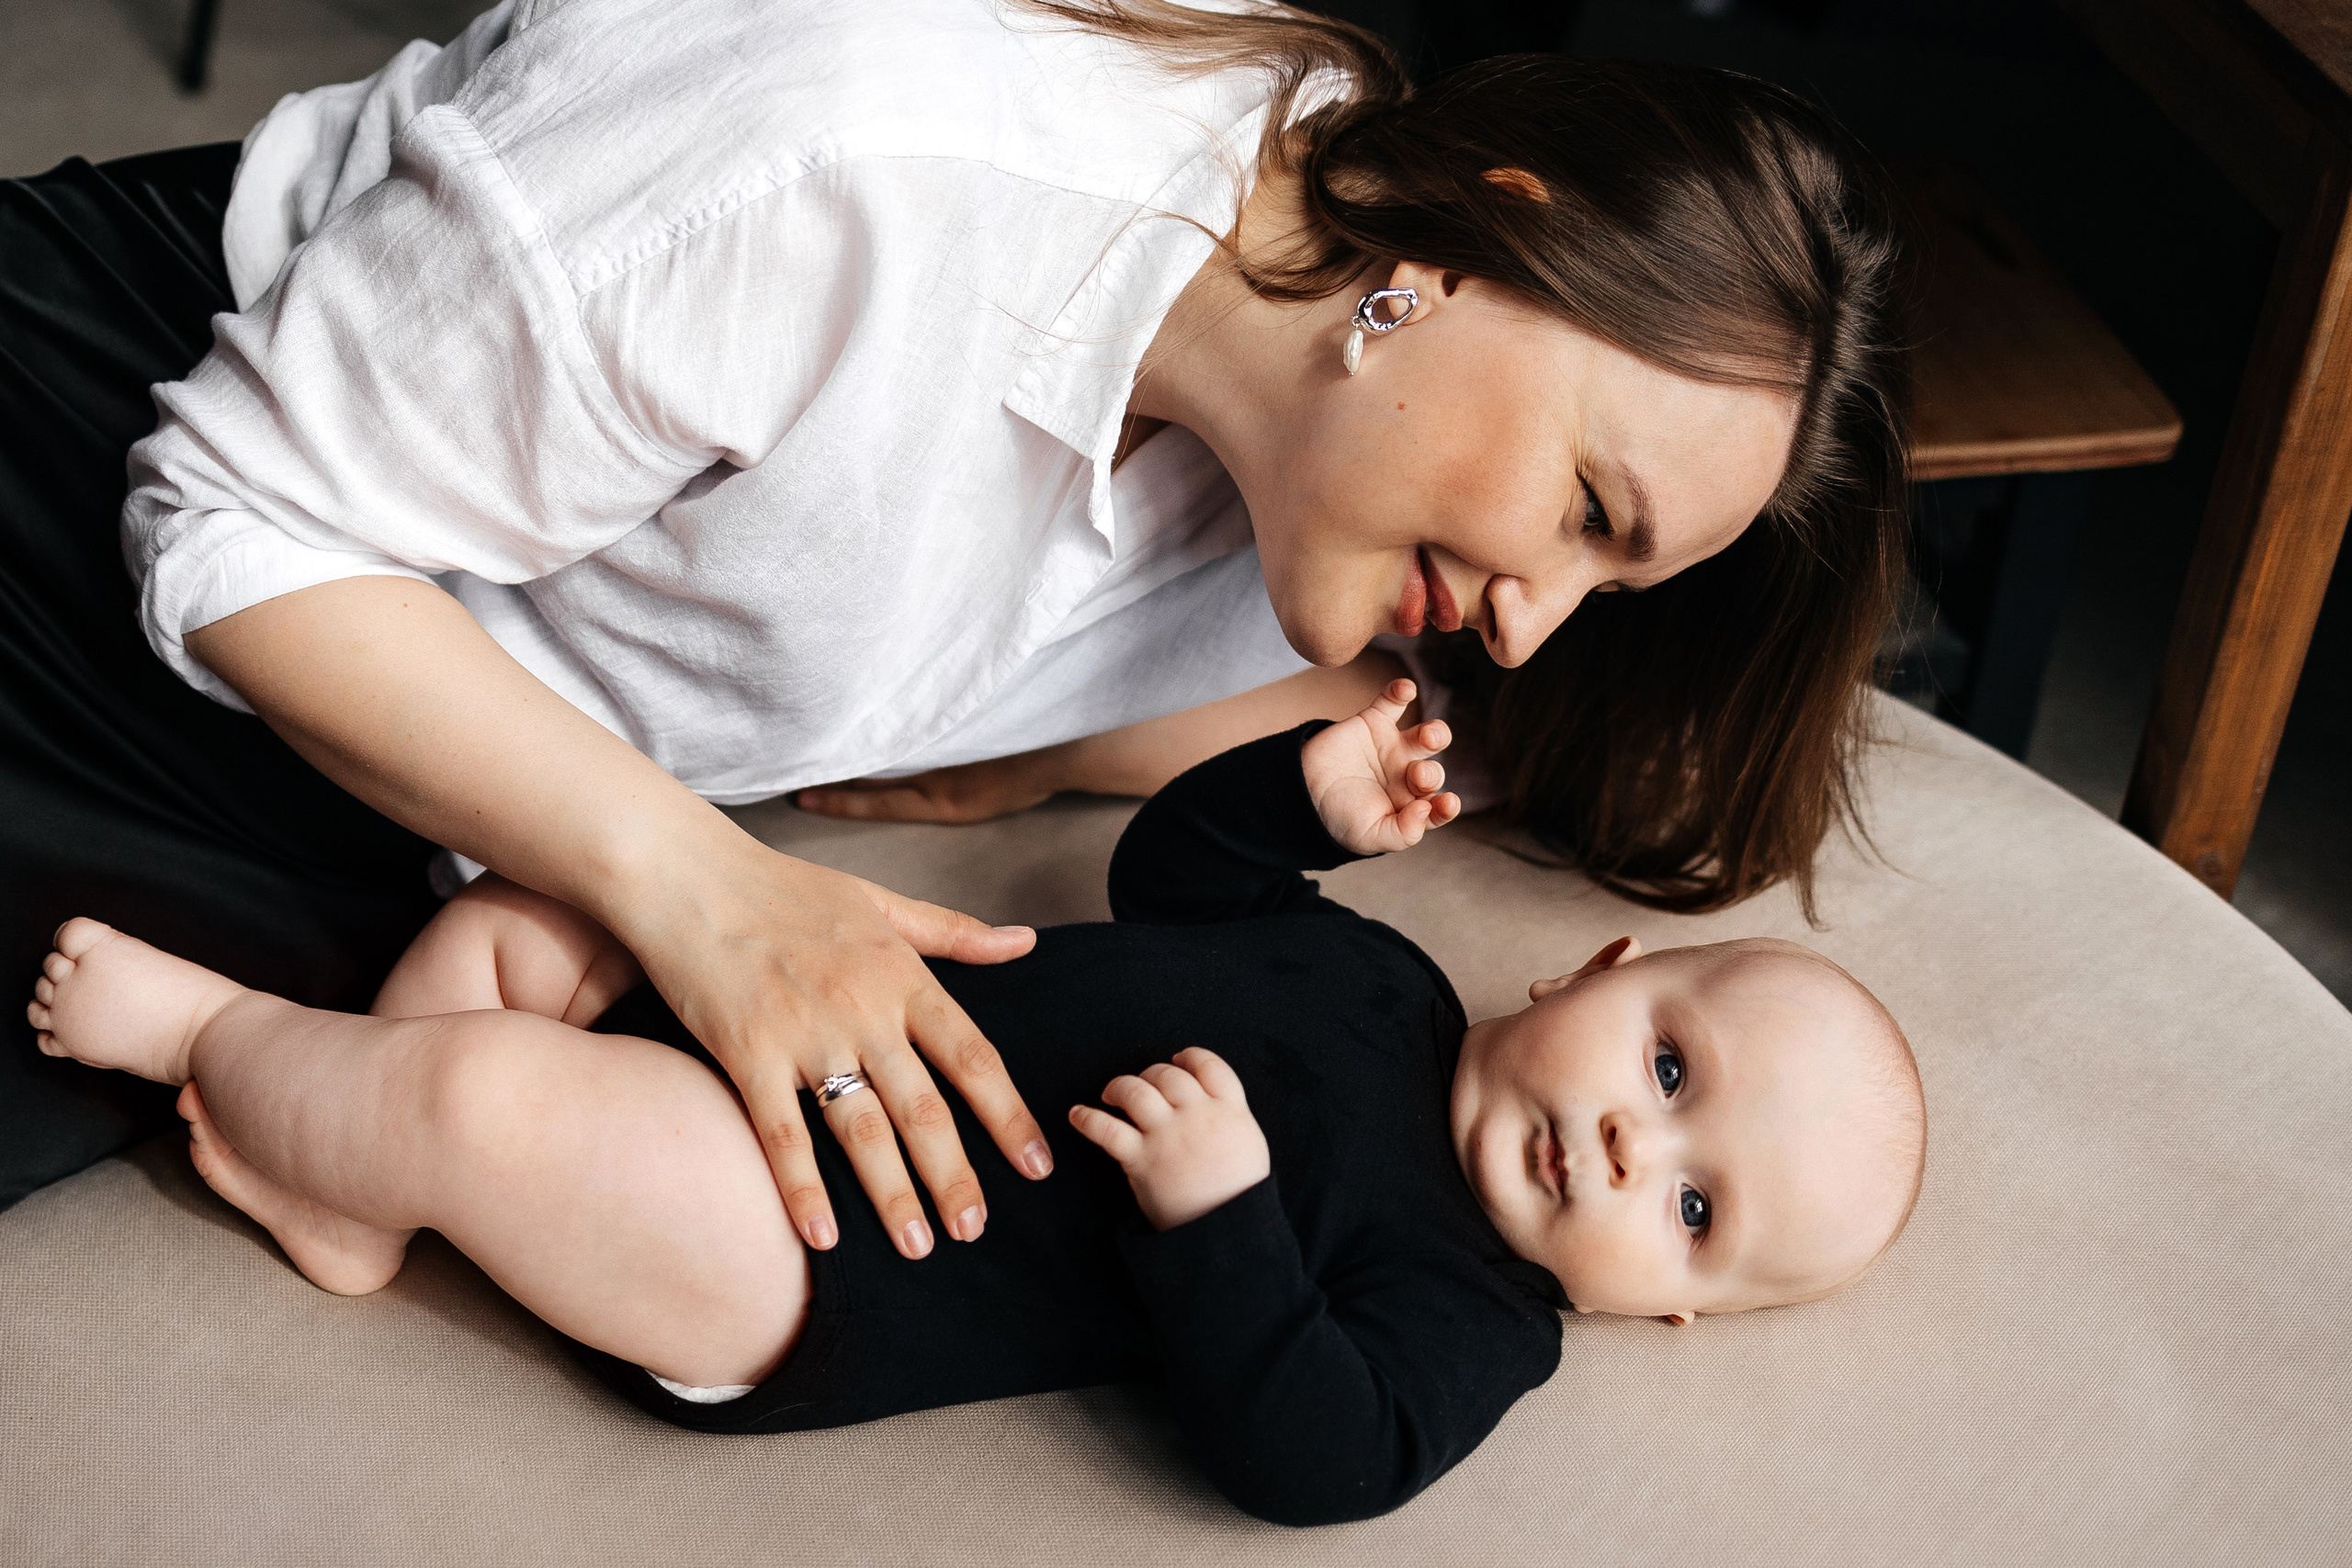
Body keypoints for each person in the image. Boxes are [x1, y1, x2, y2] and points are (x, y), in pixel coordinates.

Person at [0, 0, 1911, 1230]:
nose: (1530, 622)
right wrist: (707, 890)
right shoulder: (858, 148)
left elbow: (1005, 715)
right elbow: (231, 512)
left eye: (1608, 585)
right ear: (1481, 235)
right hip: (120, 470)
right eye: (1582, 511)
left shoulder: (1316, 541)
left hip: (410, 774)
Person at [26, 682, 1927, 1526]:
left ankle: (223, 1046)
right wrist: (1295, 802)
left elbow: (1317, 1458)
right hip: (769, 1040)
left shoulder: (1471, 1315)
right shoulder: (1383, 979)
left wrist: (1220, 1214)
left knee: (493, 1095)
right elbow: (1176, 889)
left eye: (1689, 1208)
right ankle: (352, 1198)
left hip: (806, 1258)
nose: (1625, 1146)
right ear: (1594, 976)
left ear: (1661, 1305)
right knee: (527, 917)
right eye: (1667, 1071)